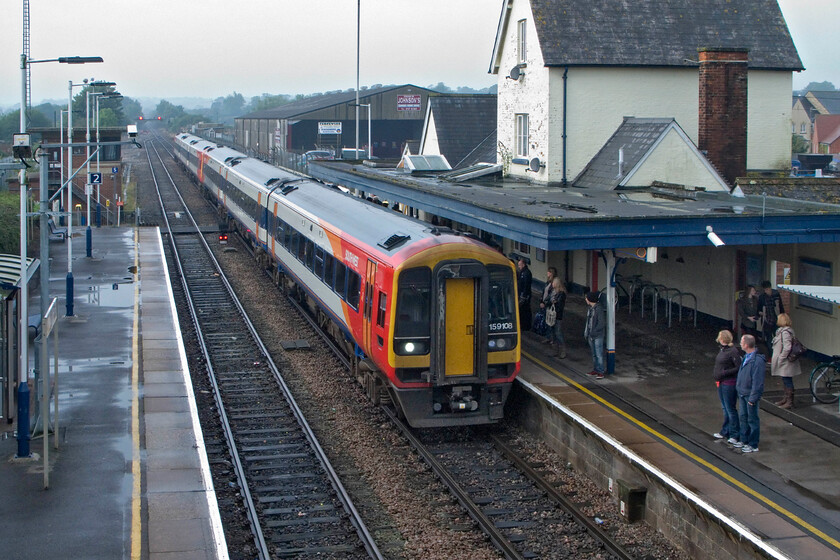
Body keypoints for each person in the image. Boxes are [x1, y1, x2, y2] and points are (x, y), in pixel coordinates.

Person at [736, 334, 765, 453]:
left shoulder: (757, 361)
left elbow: (757, 382)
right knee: (743, 417)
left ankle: (753, 444)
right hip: (742, 392)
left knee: (752, 419)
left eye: (742, 342)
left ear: (746, 345)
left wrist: (753, 398)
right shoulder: (746, 357)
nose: (740, 344)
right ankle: (744, 440)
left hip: (749, 395)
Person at [713, 330, 742, 444]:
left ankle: (734, 434)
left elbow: (738, 367)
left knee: (730, 409)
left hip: (729, 384)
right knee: (725, 408)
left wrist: (725, 372)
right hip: (721, 382)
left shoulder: (732, 351)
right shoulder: (723, 349)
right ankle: (726, 431)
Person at [771, 313, 801, 409]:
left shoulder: (785, 332)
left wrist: (781, 358)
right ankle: (786, 399)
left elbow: (787, 347)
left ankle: (789, 401)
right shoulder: (784, 331)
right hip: (786, 361)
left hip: (786, 362)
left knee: (787, 380)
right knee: (785, 379)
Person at [758, 281, 784, 357]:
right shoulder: (762, 297)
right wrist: (760, 313)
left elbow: (781, 307)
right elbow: (759, 309)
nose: (766, 291)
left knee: (778, 339)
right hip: (767, 321)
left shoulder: (776, 295)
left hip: (776, 320)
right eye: (765, 290)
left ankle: (777, 354)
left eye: (767, 289)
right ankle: (772, 355)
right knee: (769, 339)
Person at [583, 291, 606, 379]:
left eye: (586, 298)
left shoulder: (598, 309)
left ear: (590, 299)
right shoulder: (590, 308)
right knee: (594, 354)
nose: (585, 299)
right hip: (591, 335)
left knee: (598, 354)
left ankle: (600, 371)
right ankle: (596, 369)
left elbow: (601, 323)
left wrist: (593, 332)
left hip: (597, 335)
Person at [547, 277, 567, 358]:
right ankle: (555, 350)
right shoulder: (553, 292)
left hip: (557, 316)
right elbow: (547, 300)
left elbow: (560, 306)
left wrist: (554, 303)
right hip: (551, 316)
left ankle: (562, 351)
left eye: (553, 283)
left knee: (558, 333)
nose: (552, 284)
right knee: (553, 333)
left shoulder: (561, 294)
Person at [539, 267, 557, 344]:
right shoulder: (547, 282)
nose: (547, 273)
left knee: (551, 322)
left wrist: (545, 303)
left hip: (549, 305)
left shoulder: (554, 283)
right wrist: (541, 301)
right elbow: (544, 292)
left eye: (548, 272)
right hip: (544, 303)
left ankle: (552, 339)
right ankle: (548, 337)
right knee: (546, 322)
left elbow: (551, 295)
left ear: (551, 273)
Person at [517, 258, 532, 331]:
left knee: (524, 310)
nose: (519, 267)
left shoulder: (526, 273)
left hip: (524, 295)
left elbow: (526, 285)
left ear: (523, 264)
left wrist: (524, 296)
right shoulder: (523, 272)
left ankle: (525, 325)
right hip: (522, 294)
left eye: (519, 265)